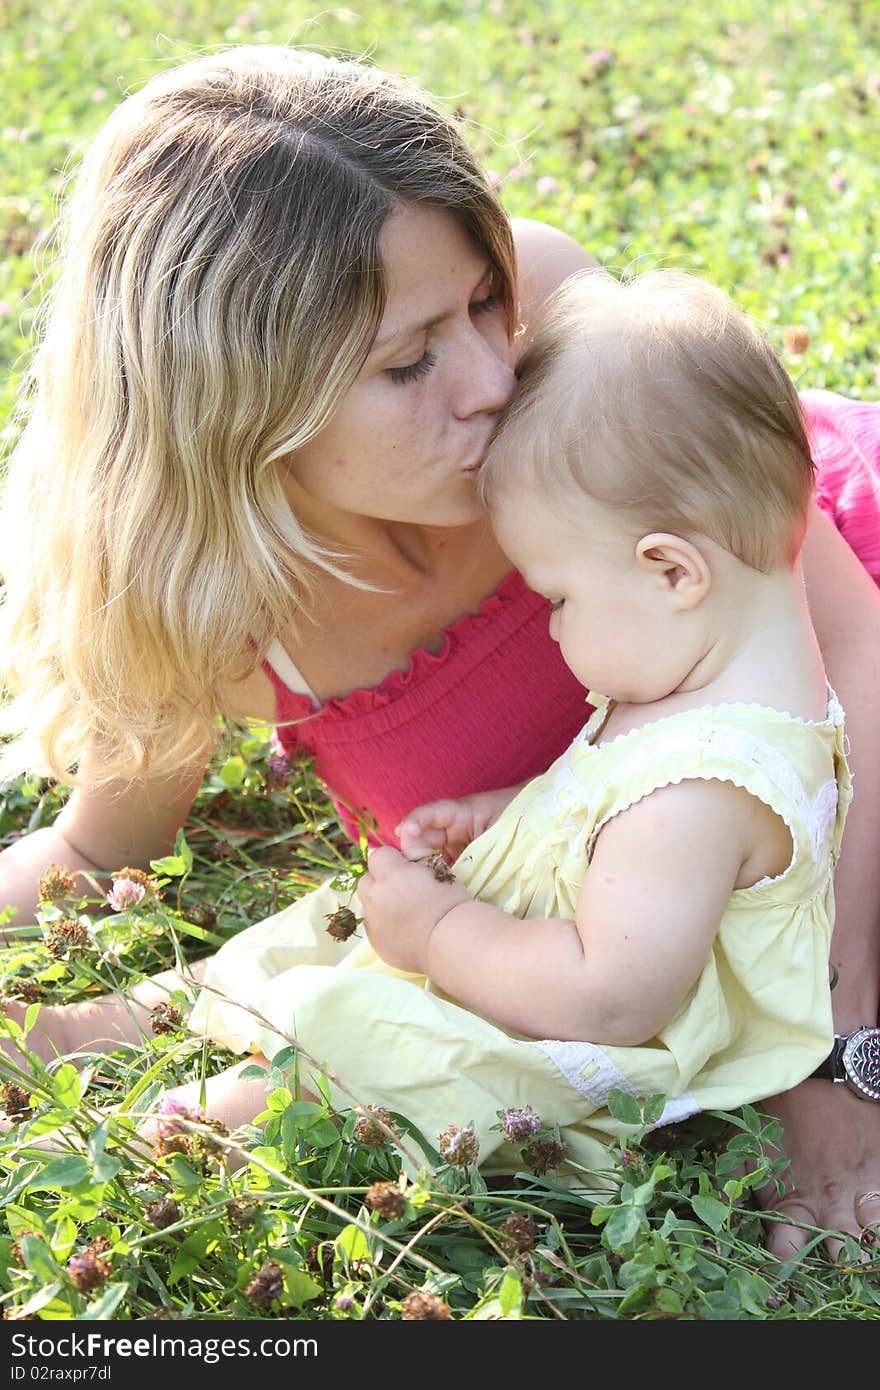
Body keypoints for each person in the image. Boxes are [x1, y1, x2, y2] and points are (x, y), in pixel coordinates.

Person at [0, 46, 878, 1251]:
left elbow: (850, 651)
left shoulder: (564, 327)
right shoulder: (210, 604)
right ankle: (161, 1013)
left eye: (482, 301)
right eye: (407, 363)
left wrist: (839, 1047)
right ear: (235, 407)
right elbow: (104, 848)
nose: (492, 381)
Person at [185, 269, 852, 1182]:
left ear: (671, 571)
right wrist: (509, 814)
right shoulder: (721, 697)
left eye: (561, 598)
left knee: (399, 1062)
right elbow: (615, 818)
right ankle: (198, 1008)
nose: (549, 626)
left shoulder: (700, 789)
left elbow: (609, 995)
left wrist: (439, 935)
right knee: (335, 930)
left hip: (573, 1038)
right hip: (549, 958)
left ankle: (200, 1126)